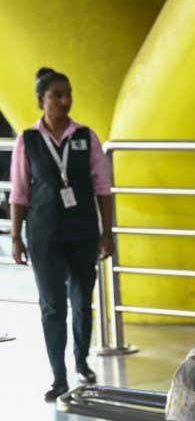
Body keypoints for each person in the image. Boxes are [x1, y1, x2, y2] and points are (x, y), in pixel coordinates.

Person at [8, 68, 115, 401]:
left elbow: (103, 187)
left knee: (83, 302)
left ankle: (81, 361)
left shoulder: (86, 137)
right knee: (52, 307)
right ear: (42, 100)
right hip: (44, 235)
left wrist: (106, 232)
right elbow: (19, 192)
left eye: (68, 93)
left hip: (82, 232)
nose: (65, 101)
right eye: (57, 95)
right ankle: (58, 376)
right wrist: (16, 237)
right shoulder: (28, 140)